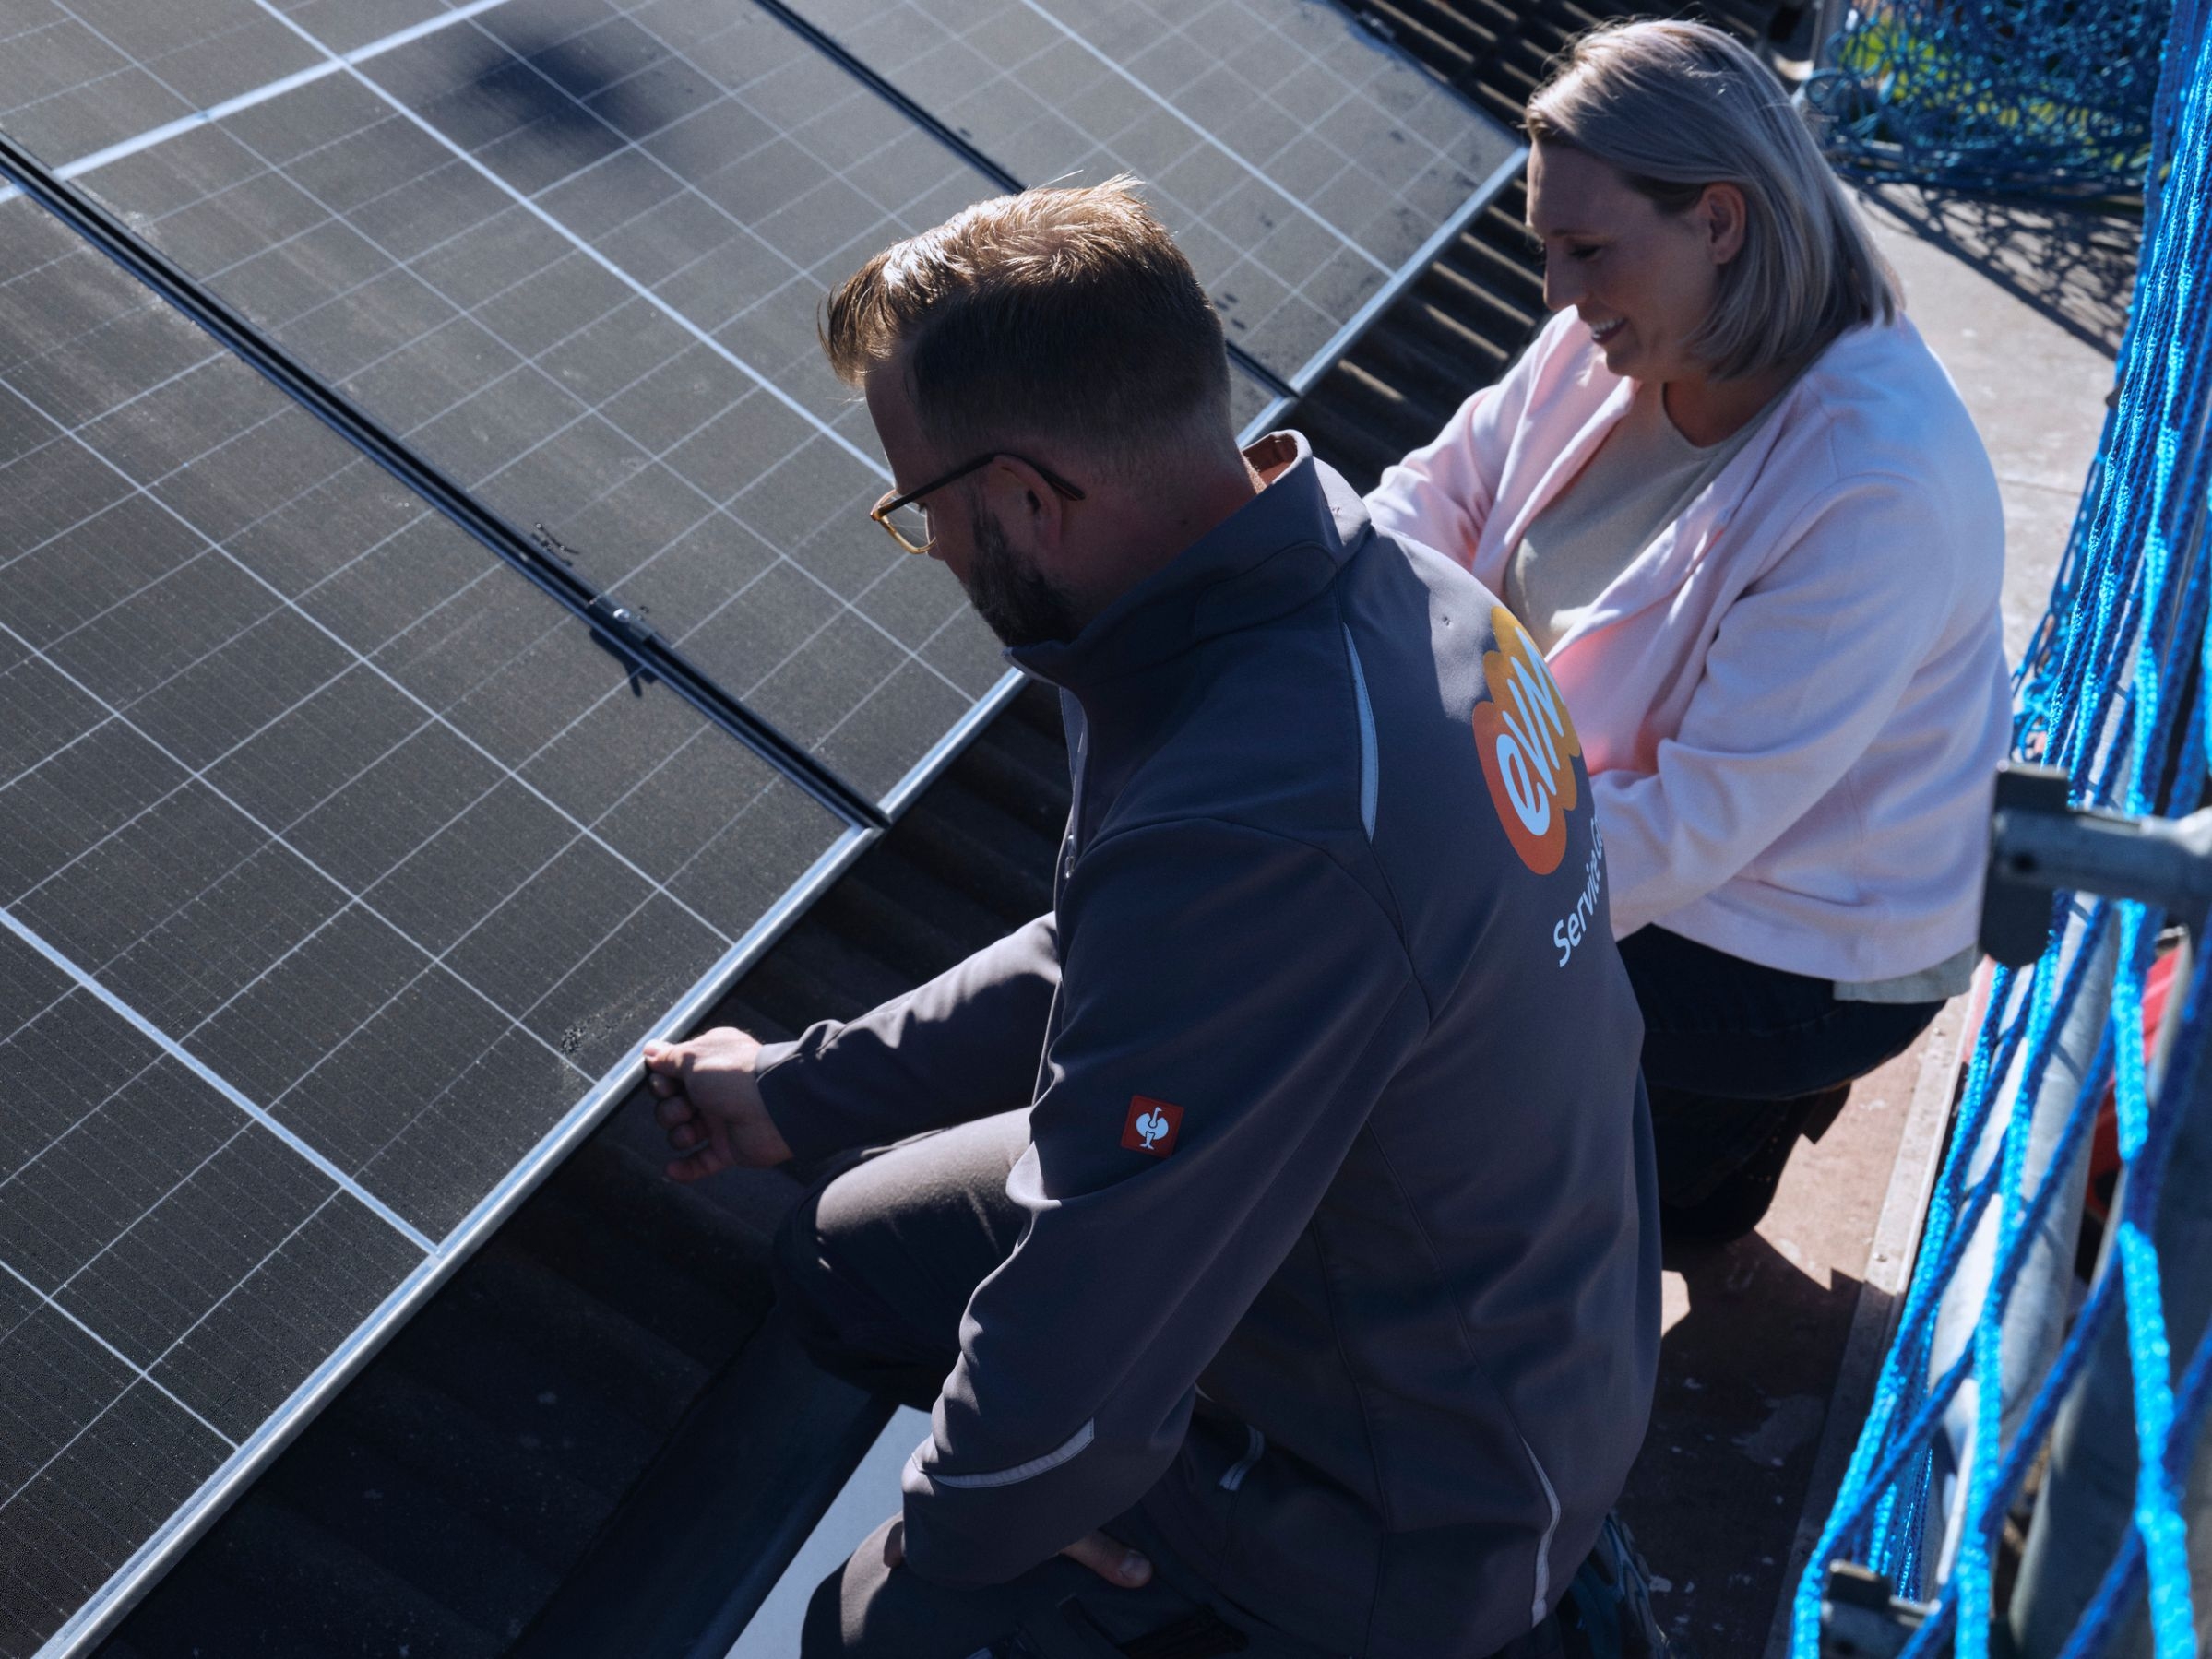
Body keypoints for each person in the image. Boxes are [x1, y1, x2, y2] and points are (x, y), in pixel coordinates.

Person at [641, 179, 1659, 1659]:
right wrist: (797, 1092)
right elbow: (1116, 955)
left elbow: (1082, 1312)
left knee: (873, 1631)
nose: (930, 552)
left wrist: (997, 1516)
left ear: (1024, 503)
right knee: (849, 1251)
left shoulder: (1260, 813)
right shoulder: (1374, 593)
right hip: (1498, 1295)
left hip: (1427, 1495)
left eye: (920, 513)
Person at [1367, 21, 2011, 1240]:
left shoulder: (1873, 489)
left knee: (1415, 1028)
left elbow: (1692, 825)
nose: (1553, 294)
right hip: (1631, 843)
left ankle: (1689, 1166)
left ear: (1718, 222)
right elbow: (1436, 496)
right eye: (1546, 248)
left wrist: (1415, 869)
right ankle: (1698, 1162)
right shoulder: (1613, 334)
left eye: (1586, 250)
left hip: (1805, 945)